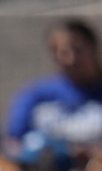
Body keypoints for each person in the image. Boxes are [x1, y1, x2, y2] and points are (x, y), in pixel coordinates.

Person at [7, 20, 102, 150]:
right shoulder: (35, 94)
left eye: (78, 50)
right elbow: (12, 142)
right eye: (64, 52)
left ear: (93, 48)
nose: (72, 58)